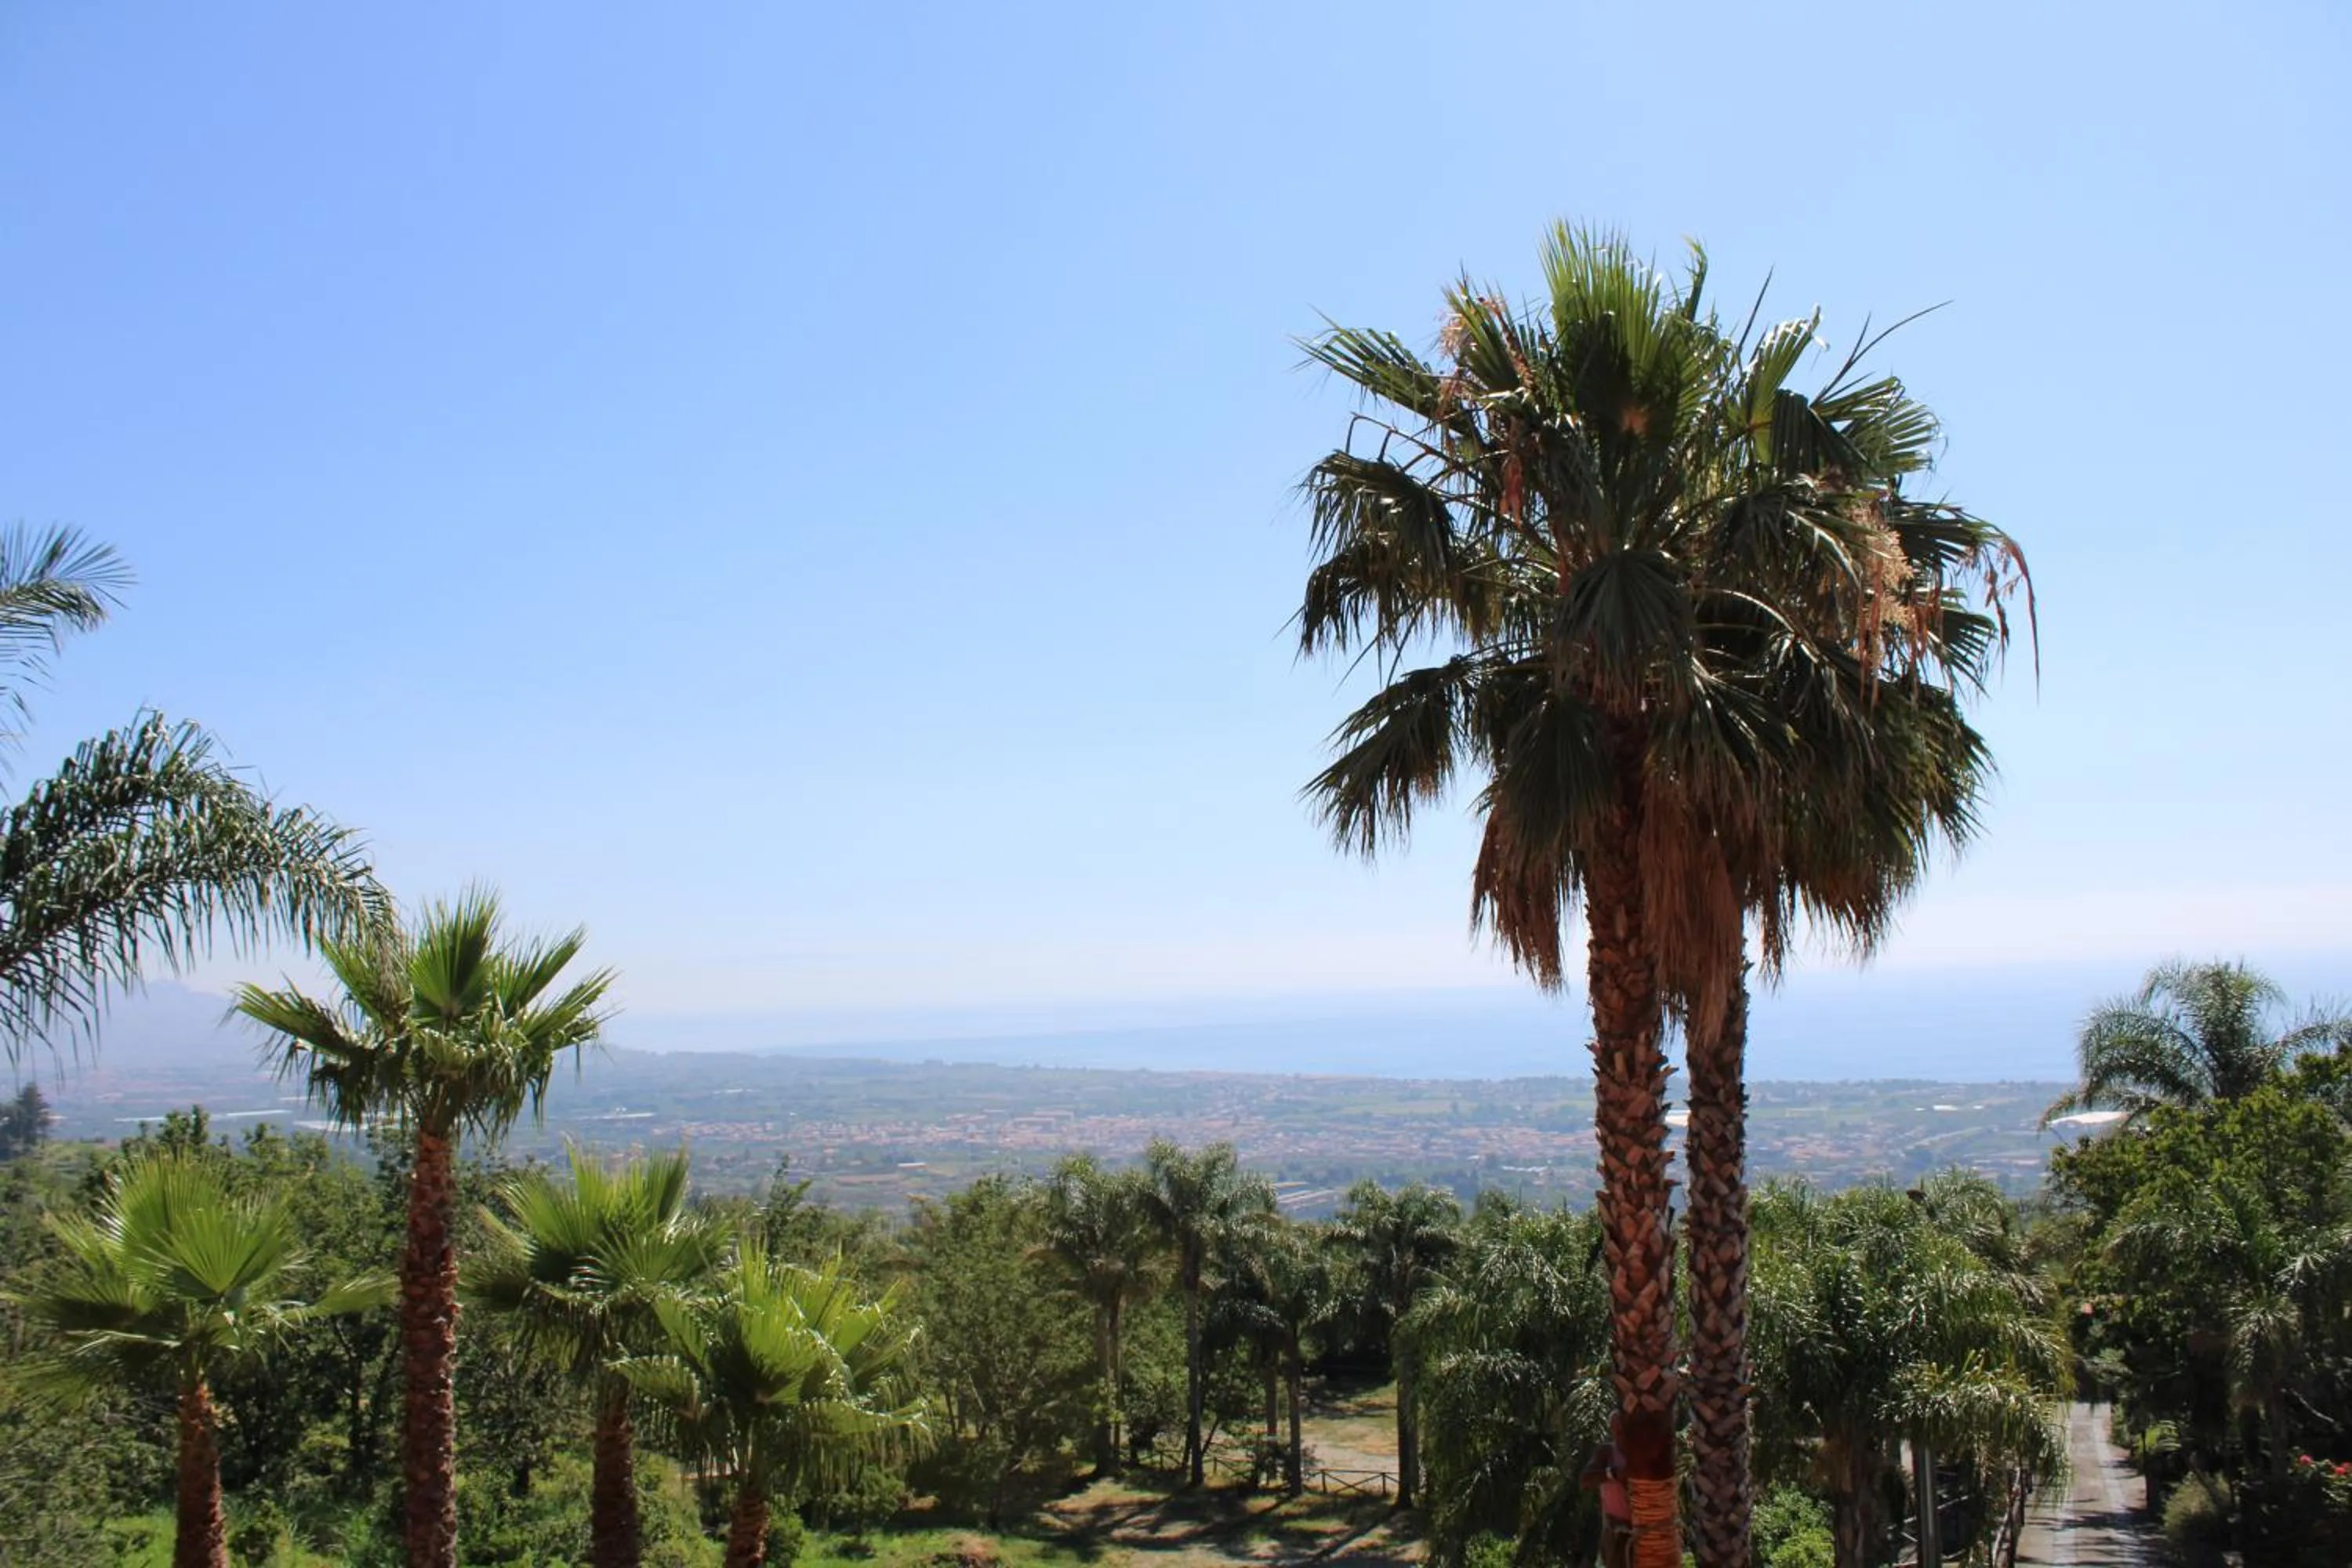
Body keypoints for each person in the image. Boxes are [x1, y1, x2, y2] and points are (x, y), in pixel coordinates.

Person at [1580, 1414, 1632, 1568]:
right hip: (1617, 1531)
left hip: (1645, 1530)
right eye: (1617, 1430)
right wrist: (1613, 1474)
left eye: (1624, 1429)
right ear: (1612, 1430)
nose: (1620, 1433)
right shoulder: (1607, 1452)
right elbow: (1585, 1480)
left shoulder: (1641, 1453)